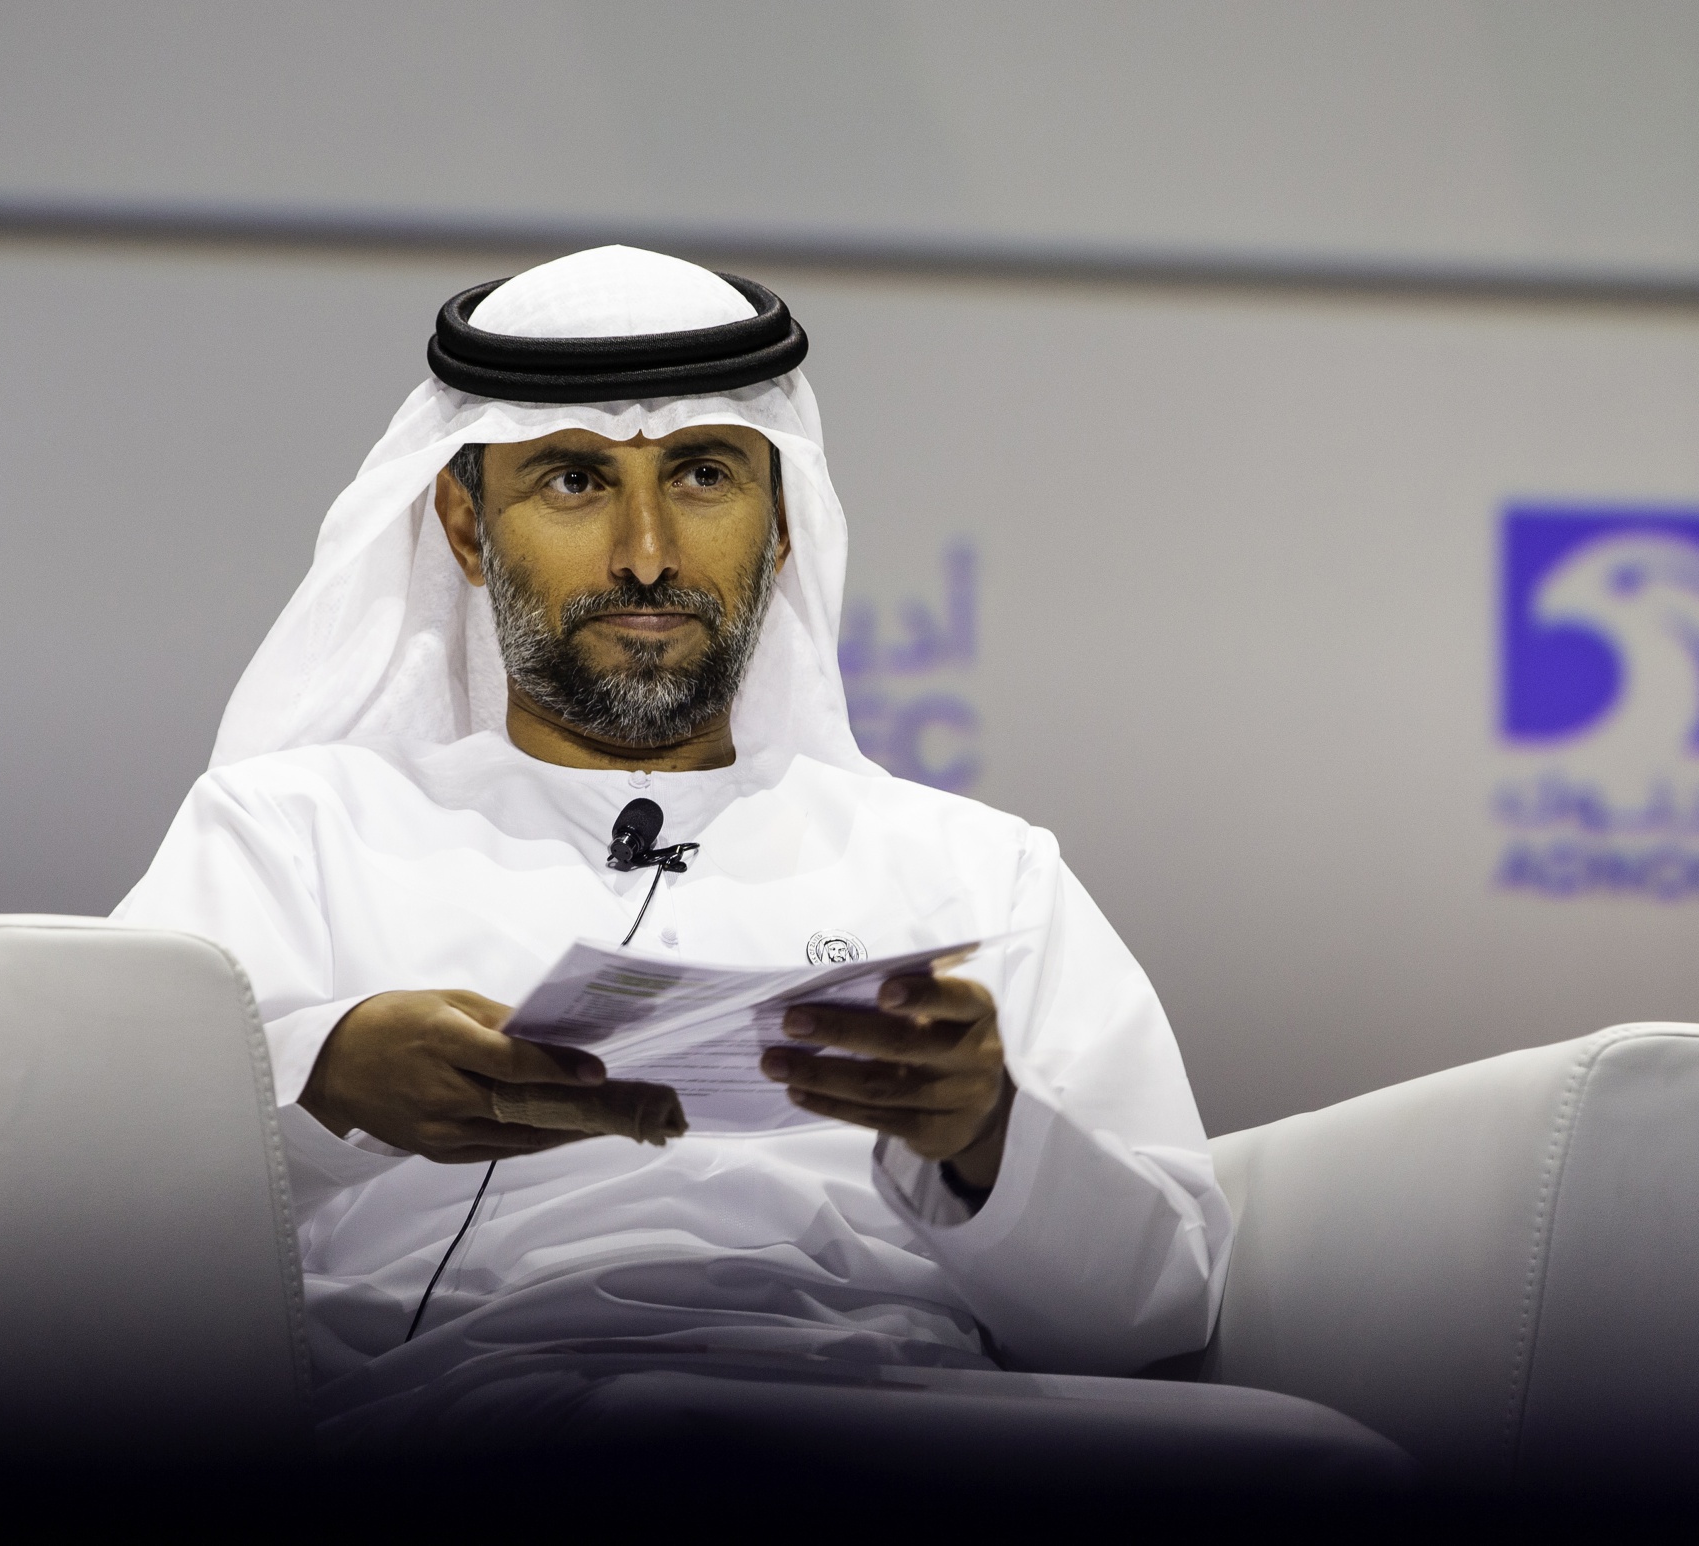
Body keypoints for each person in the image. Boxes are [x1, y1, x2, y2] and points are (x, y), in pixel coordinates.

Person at [114, 245, 1240, 1461]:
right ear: (462, 521)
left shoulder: (972, 870)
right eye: (572, 480)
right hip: (455, 1418)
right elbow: (80, 1196)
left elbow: (1162, 1305)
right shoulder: (293, 830)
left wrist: (984, 1134)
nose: (644, 552)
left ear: (782, 522)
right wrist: (323, 1082)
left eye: (701, 475)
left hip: (913, 1426)